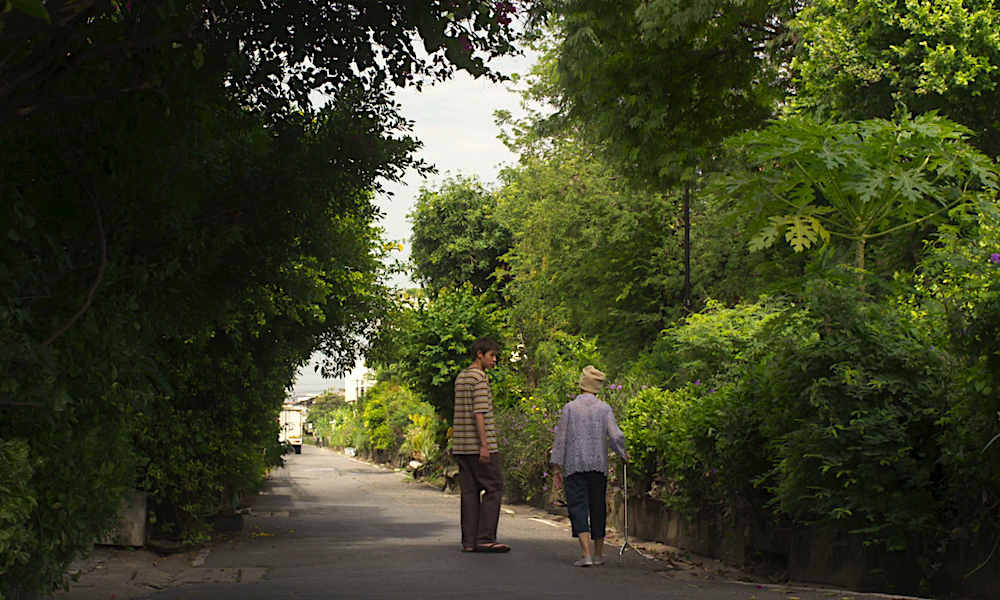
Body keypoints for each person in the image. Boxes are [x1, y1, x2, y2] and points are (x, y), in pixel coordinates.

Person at [551, 365, 627, 567]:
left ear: (581, 384)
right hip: (597, 465)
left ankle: (585, 554)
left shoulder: (569, 408)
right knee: (597, 506)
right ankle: (599, 554)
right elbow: (616, 435)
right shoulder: (604, 409)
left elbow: (561, 439)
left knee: (578, 506)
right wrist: (622, 453)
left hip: (574, 465)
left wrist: (556, 467)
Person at [452, 337, 510, 553]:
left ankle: (469, 541)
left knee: (469, 492)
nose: (494, 360)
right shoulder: (479, 378)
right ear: (479, 354)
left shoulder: (461, 377)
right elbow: (479, 412)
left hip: (461, 446)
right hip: (479, 446)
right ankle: (485, 537)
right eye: (491, 355)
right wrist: (484, 445)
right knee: (494, 488)